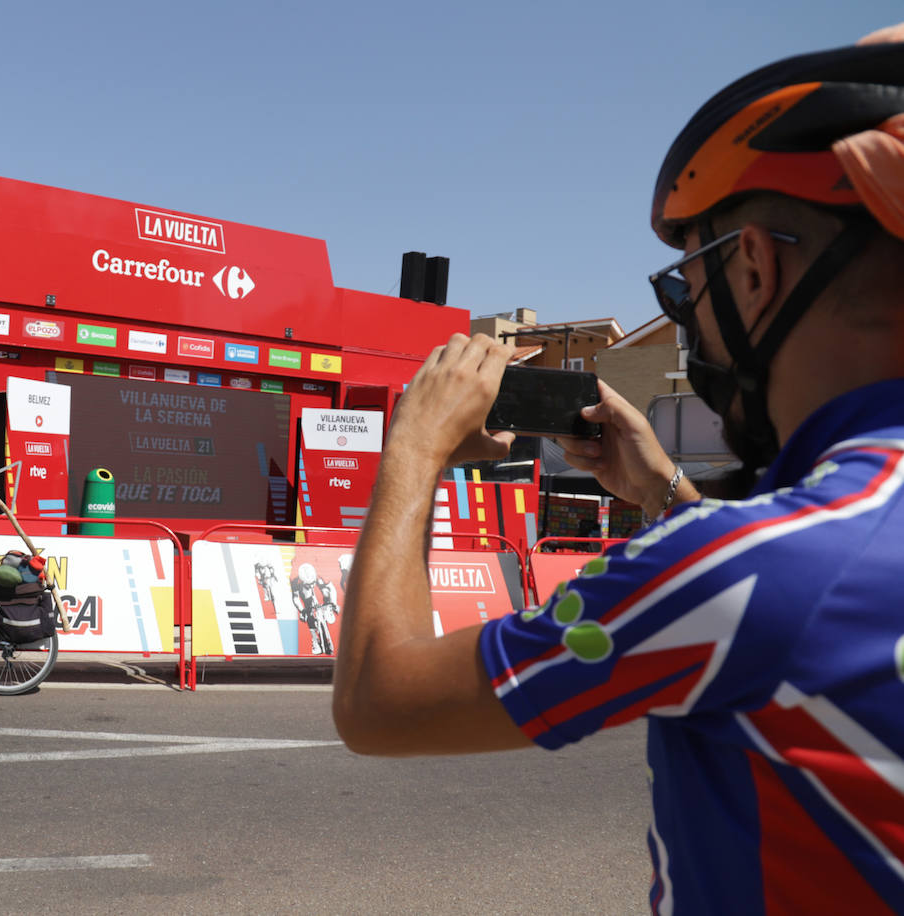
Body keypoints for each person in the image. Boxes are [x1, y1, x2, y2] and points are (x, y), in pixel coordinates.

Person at [332, 25, 904, 915]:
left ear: (755, 268)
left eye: (690, 281)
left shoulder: (741, 571)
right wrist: (661, 491)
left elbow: (380, 699)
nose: (690, 314)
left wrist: (415, 448)